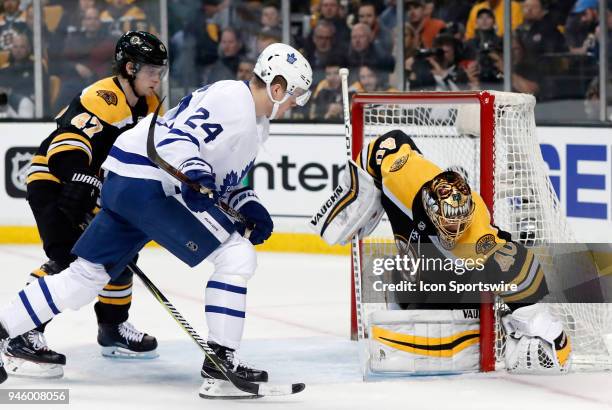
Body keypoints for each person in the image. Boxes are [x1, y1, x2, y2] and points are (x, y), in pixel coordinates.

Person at [0, 42, 313, 398]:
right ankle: (222, 365)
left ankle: (2, 330)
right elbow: (180, 140)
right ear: (277, 86)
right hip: (151, 183)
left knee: (86, 275)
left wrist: (247, 202)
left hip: (130, 180)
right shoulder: (232, 97)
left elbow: (221, 180)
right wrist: (196, 173)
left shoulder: (256, 124)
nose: (296, 104)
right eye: (296, 95)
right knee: (236, 255)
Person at [312, 129, 572, 374]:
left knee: (426, 330)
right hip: (413, 274)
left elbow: (519, 265)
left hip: (453, 286)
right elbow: (388, 143)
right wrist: (359, 187)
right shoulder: (407, 180)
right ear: (428, 208)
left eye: (461, 222)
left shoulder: (476, 236)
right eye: (448, 224)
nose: (456, 230)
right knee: (401, 302)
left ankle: (490, 325)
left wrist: (537, 320)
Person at [1, 31, 167, 379]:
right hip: (54, 180)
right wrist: (80, 178)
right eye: (151, 70)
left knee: (120, 255)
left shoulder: (151, 105)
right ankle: (21, 332)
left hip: (95, 188)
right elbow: (68, 142)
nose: (157, 78)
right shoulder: (104, 96)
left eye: (161, 71)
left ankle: (112, 329)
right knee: (66, 259)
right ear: (129, 67)